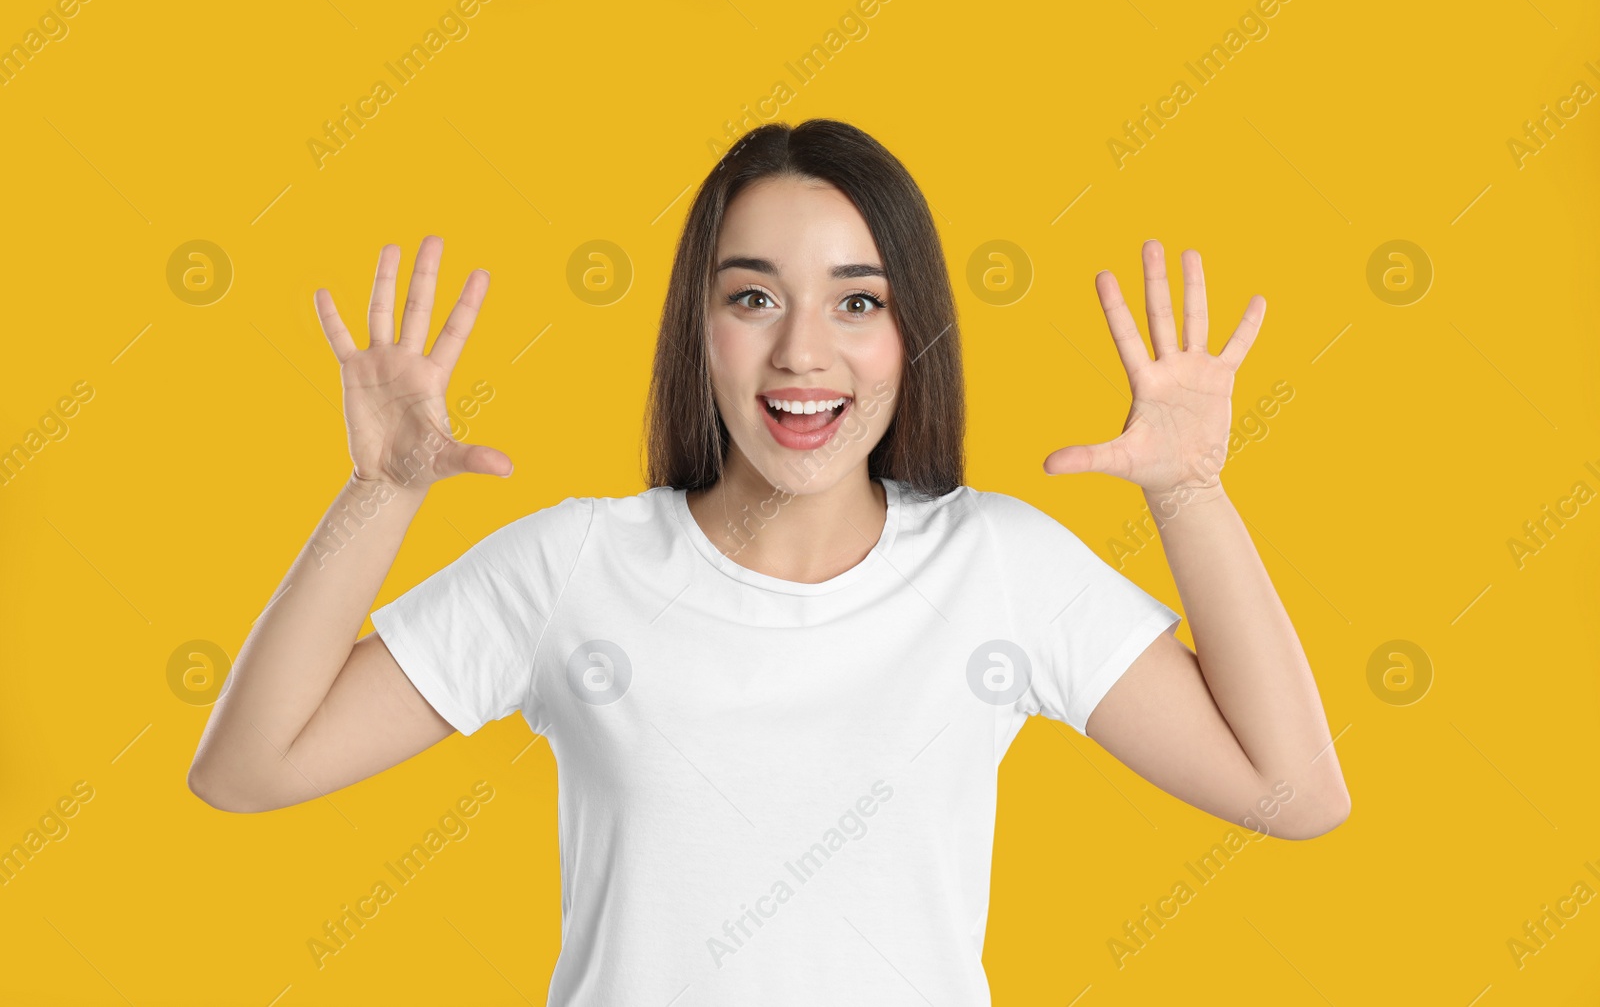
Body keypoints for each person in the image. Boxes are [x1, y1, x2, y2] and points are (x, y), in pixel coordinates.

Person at [186, 118, 1349, 1004]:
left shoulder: (996, 564)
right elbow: (247, 766)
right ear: (699, 324)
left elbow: (1291, 792)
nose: (802, 351)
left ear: (913, 330)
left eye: (858, 301)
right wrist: (378, 494)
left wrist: (1188, 492)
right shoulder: (578, 564)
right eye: (753, 296)